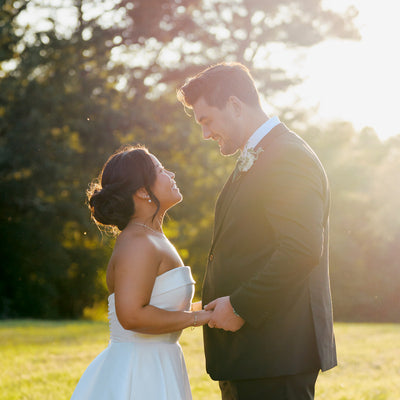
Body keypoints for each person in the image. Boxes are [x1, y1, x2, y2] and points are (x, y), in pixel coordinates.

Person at [177, 62, 337, 399]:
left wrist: (240, 306)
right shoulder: (262, 155)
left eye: (207, 120)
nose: (205, 134)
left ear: (235, 105)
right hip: (253, 355)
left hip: (276, 354)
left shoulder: (288, 157)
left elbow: (300, 248)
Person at [70, 145, 211, 400]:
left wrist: (209, 309)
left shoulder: (151, 236)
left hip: (160, 362)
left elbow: (161, 307)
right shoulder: (137, 242)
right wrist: (198, 318)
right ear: (143, 191)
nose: (172, 174)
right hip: (139, 372)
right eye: (160, 170)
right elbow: (132, 316)